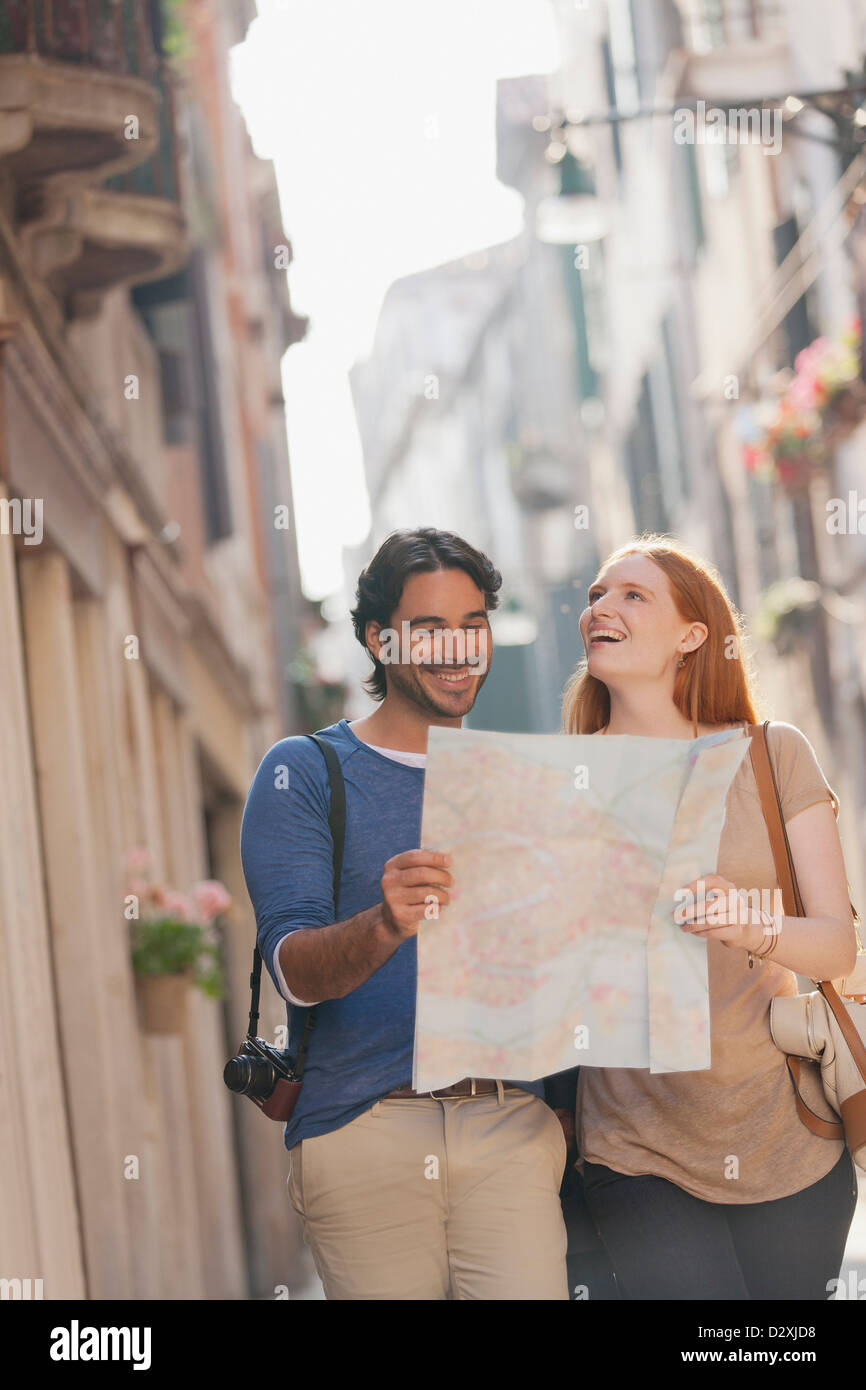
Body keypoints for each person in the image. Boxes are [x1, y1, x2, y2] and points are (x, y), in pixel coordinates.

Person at [240, 527, 569, 1300]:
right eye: (429, 628)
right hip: (363, 1129)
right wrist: (383, 924)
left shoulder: (526, 783)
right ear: (378, 639)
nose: (458, 649)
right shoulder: (303, 771)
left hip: (509, 1122)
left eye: (472, 624)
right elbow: (293, 972)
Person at [565, 535, 860, 1301]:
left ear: (694, 634)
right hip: (636, 1149)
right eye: (598, 594)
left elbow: (835, 945)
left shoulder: (773, 755)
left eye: (634, 595)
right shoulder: (563, 779)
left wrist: (749, 924)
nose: (603, 607)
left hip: (789, 1136)